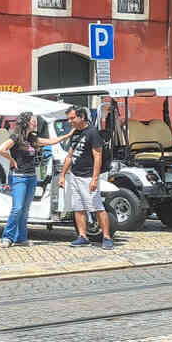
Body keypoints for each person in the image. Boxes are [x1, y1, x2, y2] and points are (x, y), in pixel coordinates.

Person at [0, 111, 72, 247]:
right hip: (19, 177)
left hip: (31, 177)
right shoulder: (16, 137)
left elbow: (50, 141)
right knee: (17, 208)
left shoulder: (32, 138)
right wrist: (12, 160)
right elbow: (1, 149)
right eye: (33, 121)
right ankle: (7, 237)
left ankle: (21, 238)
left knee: (25, 209)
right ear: (26, 123)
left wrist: (68, 135)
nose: (35, 123)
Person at [59, 106, 114, 249]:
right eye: (68, 119)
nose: (69, 121)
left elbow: (98, 156)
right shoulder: (76, 133)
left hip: (88, 176)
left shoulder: (93, 133)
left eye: (72, 118)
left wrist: (95, 179)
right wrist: (63, 174)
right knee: (78, 208)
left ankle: (107, 237)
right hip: (75, 176)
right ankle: (82, 236)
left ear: (81, 117)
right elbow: (70, 156)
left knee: (96, 207)